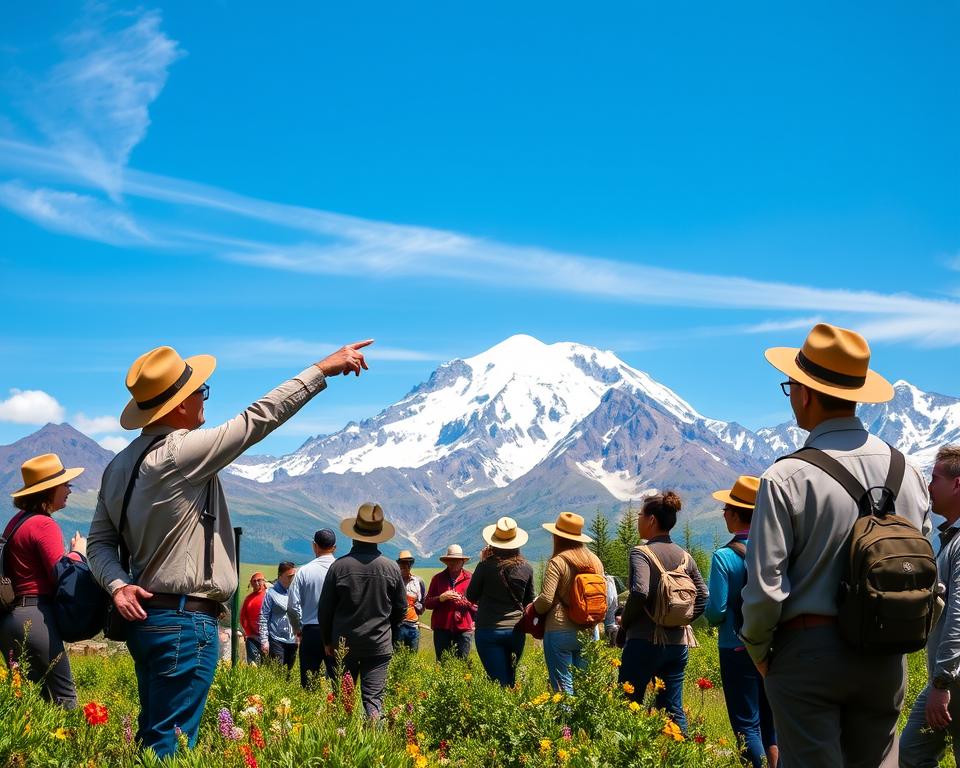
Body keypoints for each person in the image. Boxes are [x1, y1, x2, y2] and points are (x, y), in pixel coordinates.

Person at [88, 339, 372, 758]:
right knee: (174, 745)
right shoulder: (180, 452)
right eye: (200, 392)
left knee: (154, 735)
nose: (204, 399)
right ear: (179, 405)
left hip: (146, 621)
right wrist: (321, 370)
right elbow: (257, 419)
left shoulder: (119, 466)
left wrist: (117, 584)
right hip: (185, 622)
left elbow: (98, 543)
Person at [740, 323, 930, 768]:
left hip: (807, 652)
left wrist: (760, 652)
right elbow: (925, 569)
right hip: (885, 653)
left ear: (805, 392)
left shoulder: (786, 477)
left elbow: (765, 588)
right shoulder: (909, 472)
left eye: (790, 387)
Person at [0, 454, 86, 708]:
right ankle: (69, 748)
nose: (70, 489)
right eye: (65, 484)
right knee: (64, 698)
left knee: (28, 702)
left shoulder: (15, 522)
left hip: (8, 619)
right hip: (36, 616)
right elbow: (60, 575)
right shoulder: (44, 525)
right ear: (49, 490)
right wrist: (77, 552)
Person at [618, 492, 707, 733]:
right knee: (672, 708)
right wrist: (680, 621)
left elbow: (639, 592)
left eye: (640, 515)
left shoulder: (641, 553)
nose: (638, 520)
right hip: (678, 644)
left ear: (652, 520)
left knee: (627, 704)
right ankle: (682, 757)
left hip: (644, 641)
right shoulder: (685, 557)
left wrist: (624, 626)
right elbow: (703, 595)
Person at [704, 476, 778, 768]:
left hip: (736, 645)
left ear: (736, 514)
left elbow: (716, 611)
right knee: (772, 722)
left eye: (726, 508)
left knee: (747, 722)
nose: (723, 513)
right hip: (774, 644)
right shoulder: (775, 552)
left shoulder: (724, 556)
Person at [900, 444, 960, 767]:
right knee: (912, 752)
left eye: (935, 479)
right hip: (949, 678)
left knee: (913, 752)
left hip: (951, 680)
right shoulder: (949, 537)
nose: (928, 487)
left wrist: (942, 682)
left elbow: (958, 617)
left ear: (957, 483)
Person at [317, 503, 406, 720]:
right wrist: (389, 631)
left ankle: (343, 742)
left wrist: (327, 641)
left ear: (354, 535)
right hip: (378, 643)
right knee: (373, 701)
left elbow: (325, 610)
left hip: (343, 643)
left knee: (342, 699)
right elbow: (401, 608)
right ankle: (375, 747)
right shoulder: (391, 568)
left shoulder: (339, 567)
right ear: (379, 536)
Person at [533, 511, 606, 694]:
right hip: (589, 629)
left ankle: (566, 723)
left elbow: (546, 600)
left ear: (557, 536)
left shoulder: (558, 561)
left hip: (559, 629)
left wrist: (533, 607)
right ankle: (582, 723)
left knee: (564, 689)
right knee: (585, 688)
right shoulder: (595, 561)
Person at [466, 517, 534, 686]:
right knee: (511, 679)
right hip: (516, 630)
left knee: (498, 682)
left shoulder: (485, 566)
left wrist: (483, 561)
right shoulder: (526, 567)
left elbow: (471, 596)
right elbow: (529, 601)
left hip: (489, 630)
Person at [287, 528, 337, 687]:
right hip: (336, 632)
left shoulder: (304, 571)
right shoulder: (341, 569)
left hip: (311, 631)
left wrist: (298, 629)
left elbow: (292, 607)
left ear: (314, 546)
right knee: (338, 683)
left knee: (309, 684)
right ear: (334, 548)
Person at [425, 544, 477, 660]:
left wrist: (465, 602)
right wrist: (441, 598)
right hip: (442, 628)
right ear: (446, 561)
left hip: (464, 628)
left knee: (462, 663)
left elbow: (477, 605)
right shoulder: (437, 579)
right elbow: (427, 603)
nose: (453, 563)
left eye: (456, 560)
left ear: (463, 562)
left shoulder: (471, 578)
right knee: (442, 662)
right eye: (450, 560)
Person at [259, 561, 297, 670]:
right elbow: (263, 617)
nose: (292, 579)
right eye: (289, 576)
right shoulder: (270, 593)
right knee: (277, 672)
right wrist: (264, 641)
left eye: (293, 576)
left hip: (292, 640)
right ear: (280, 576)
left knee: (288, 673)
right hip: (276, 639)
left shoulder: (296, 592)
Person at [394, 550, 426, 651]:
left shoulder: (418, 582)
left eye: (407, 563)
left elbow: (423, 601)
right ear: (398, 565)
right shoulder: (393, 582)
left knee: (412, 656)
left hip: (413, 626)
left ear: (410, 565)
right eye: (402, 564)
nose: (404, 566)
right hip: (398, 625)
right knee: (396, 655)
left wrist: (417, 606)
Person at [240, 572, 267, 664]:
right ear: (251, 583)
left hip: (269, 637)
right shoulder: (248, 599)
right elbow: (243, 616)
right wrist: (247, 632)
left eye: (259, 580)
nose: (256, 583)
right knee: (253, 664)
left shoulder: (269, 596)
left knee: (268, 664)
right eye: (254, 581)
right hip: (253, 636)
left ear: (264, 581)